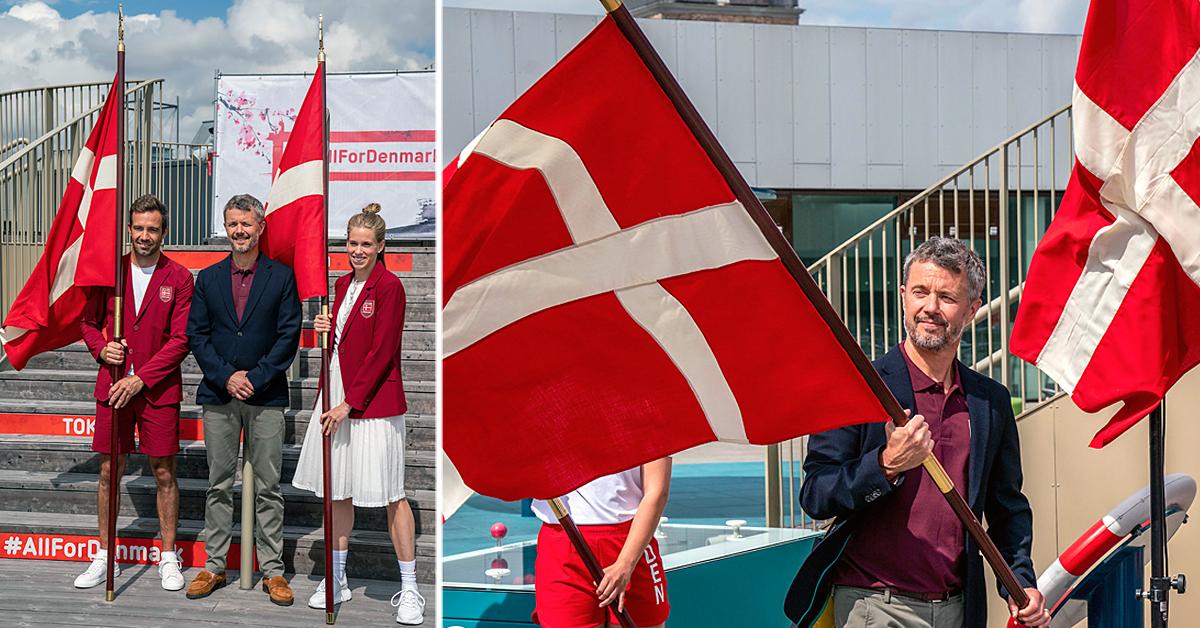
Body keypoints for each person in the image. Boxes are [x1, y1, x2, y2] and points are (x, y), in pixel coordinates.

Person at [784, 237, 1049, 628]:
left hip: (959, 610)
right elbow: (817, 495)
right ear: (904, 296)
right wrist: (886, 464)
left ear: (972, 309)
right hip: (874, 605)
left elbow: (1007, 508)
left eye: (947, 297)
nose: (931, 307)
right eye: (921, 292)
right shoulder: (860, 387)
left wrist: (1020, 581)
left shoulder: (989, 402)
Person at [292, 203, 424, 624]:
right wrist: (323, 330)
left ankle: (410, 589)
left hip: (373, 405)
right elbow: (340, 348)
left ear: (381, 246)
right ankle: (338, 579)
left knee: (391, 495)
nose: (358, 250)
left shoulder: (390, 287)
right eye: (352, 243)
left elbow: (383, 352)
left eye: (367, 244)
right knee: (340, 491)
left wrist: (349, 404)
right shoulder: (341, 283)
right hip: (337, 399)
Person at [184, 194, 301, 606]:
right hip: (219, 393)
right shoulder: (209, 278)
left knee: (269, 486)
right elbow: (196, 335)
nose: (239, 231)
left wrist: (254, 377)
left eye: (246, 224)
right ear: (225, 227)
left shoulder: (282, 278)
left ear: (260, 226)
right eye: (232, 223)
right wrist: (226, 376)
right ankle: (215, 564)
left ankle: (273, 571)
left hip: (266, 394)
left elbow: (289, 336)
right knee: (219, 482)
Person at [74, 194, 194, 592]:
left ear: (164, 232)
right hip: (112, 387)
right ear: (129, 229)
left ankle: (168, 556)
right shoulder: (109, 272)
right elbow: (88, 324)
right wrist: (100, 348)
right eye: (139, 228)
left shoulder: (179, 277)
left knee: (164, 472)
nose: (145, 236)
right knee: (110, 471)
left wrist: (141, 377)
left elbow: (180, 341)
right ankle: (105, 555)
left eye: (153, 229)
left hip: (156, 389)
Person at [530, 458, 672, 628]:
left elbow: (657, 491)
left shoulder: (649, 429)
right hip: (562, 543)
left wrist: (625, 564)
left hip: (630, 540)